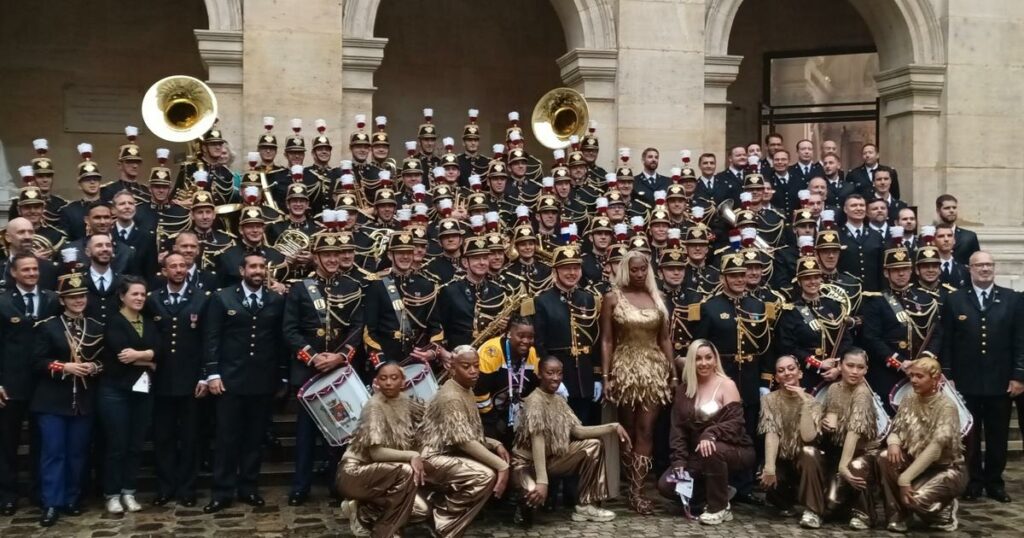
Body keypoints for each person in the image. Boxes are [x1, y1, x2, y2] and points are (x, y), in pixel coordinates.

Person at [283, 230, 364, 505]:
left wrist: (341, 357)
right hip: (309, 371)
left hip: (339, 370)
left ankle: (338, 484)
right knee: (305, 435)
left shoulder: (352, 287)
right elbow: (290, 330)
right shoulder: (299, 288)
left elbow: (357, 327)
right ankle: (300, 487)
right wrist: (313, 357)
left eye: (335, 254)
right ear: (315, 257)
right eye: (326, 255)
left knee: (341, 432)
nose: (331, 259)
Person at [203, 252, 287, 513]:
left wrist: (282, 375)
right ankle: (222, 491)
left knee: (254, 438)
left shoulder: (275, 300)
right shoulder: (222, 297)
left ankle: (248, 487)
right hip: (230, 380)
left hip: (262, 380)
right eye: (253, 266)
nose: (258, 271)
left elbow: (280, 341)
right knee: (227, 438)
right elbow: (211, 337)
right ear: (242, 270)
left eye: (262, 267)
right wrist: (212, 373)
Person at [940, 251, 1024, 502]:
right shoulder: (955, 300)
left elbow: (1020, 340)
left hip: (1001, 380)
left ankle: (995, 482)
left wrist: (1019, 375)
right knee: (970, 436)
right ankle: (973, 481)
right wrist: (948, 375)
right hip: (966, 381)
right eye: (980, 265)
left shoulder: (1012, 299)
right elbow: (947, 342)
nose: (985, 269)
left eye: (989, 265)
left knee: (998, 436)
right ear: (970, 269)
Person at [512, 356, 630, 527]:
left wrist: (613, 427)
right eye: (550, 373)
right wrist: (542, 482)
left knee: (593, 445)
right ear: (540, 374)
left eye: (559, 373)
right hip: (526, 464)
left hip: (550, 460)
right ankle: (522, 507)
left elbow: (578, 431)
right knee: (532, 496)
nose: (555, 378)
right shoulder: (534, 401)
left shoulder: (559, 400)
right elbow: (538, 442)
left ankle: (586, 506)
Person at [600, 249, 673, 515]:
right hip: (625, 368)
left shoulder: (658, 297)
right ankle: (629, 485)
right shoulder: (611, 298)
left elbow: (665, 339)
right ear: (624, 270)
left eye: (643, 269)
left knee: (646, 430)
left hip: (654, 369)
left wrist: (673, 375)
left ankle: (637, 491)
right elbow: (607, 340)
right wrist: (606, 377)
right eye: (634, 269)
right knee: (627, 430)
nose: (639, 273)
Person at [32, 271, 104, 526]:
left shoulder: (95, 326)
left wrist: (93, 368)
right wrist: (65, 367)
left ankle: (72, 498)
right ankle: (51, 502)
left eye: (82, 296)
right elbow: (37, 362)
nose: (78, 301)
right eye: (72, 297)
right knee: (53, 453)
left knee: (77, 454)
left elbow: (104, 360)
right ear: (62, 300)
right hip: (52, 401)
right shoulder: (47, 326)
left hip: (83, 401)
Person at [656, 339, 754, 525]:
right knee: (667, 485)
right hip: (697, 455)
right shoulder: (683, 391)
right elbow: (678, 432)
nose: (704, 363)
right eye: (698, 359)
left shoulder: (727, 385)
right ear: (691, 362)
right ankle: (717, 492)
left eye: (709, 358)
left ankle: (719, 507)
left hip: (734, 447)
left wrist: (711, 433)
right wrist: (679, 462)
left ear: (715, 360)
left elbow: (736, 423)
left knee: (712, 449)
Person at [420, 346, 509, 538]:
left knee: (489, 466)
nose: (473, 371)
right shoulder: (451, 396)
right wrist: (502, 466)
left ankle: (440, 513)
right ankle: (443, 523)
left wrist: (494, 444)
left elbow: (466, 434)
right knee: (484, 475)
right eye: (466, 366)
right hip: (433, 457)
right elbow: (463, 441)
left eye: (476, 366)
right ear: (452, 369)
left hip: (449, 453)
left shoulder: (466, 389)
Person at [145, 253, 210, 508]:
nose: (179, 269)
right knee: (163, 437)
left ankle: (187, 488)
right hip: (161, 379)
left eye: (183, 265)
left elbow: (208, 340)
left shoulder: (201, 298)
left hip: (191, 379)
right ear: (164, 271)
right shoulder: (153, 299)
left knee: (190, 437)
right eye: (173, 266)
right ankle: (165, 487)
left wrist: (205, 375)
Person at [0, 253, 60, 515]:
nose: (32, 274)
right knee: (7, 443)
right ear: (13, 273)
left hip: (45, 383)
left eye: (35, 269)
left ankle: (40, 492)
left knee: (42, 442)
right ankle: (7, 494)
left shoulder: (52, 300)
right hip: (11, 383)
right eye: (25, 270)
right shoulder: (2, 302)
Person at [877, 357, 966, 532]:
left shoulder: (947, 407)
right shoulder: (909, 399)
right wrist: (894, 442)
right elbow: (897, 428)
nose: (913, 380)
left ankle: (944, 512)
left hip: (944, 468)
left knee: (914, 499)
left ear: (936, 379)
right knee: (884, 457)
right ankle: (898, 516)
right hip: (915, 461)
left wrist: (905, 479)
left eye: (920, 376)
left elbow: (935, 449)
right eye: (912, 375)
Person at [337, 362, 425, 537]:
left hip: (384, 474)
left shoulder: (405, 401)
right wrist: (412, 455)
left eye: (394, 378)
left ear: (403, 381)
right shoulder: (374, 407)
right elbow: (376, 453)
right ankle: (386, 531)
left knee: (422, 511)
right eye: (383, 378)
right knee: (407, 471)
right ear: (376, 381)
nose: (389, 383)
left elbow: (427, 420)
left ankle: (364, 511)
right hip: (355, 472)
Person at [98, 275, 158, 514]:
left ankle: (129, 491)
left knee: (135, 444)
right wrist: (149, 359)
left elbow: (160, 349)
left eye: (143, 294)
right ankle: (111, 494)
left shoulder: (148, 321)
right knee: (117, 444)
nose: (140, 298)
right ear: (122, 296)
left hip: (142, 391)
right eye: (135, 294)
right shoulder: (113, 321)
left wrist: (142, 355)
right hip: (115, 391)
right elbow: (121, 354)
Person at [758, 355, 827, 529]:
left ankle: (813, 512)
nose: (787, 373)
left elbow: (808, 437)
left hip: (805, 461)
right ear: (776, 377)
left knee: (809, 453)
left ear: (800, 373)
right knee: (765, 472)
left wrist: (804, 402)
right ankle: (786, 504)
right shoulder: (769, 399)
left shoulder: (814, 401)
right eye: (781, 370)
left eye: (791, 368)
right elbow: (771, 432)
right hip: (783, 459)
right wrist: (769, 467)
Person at [819, 348, 880, 530]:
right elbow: (827, 415)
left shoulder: (863, 393)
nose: (855, 371)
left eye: (860, 367)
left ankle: (864, 513)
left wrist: (843, 467)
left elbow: (854, 431)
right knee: (829, 505)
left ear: (866, 370)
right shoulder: (833, 389)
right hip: (838, 450)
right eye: (850, 366)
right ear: (840, 366)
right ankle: (843, 505)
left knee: (857, 467)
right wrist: (822, 422)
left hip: (861, 453)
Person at [475, 316, 539, 444]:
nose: (526, 341)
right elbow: (479, 393)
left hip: (511, 411)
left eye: (530, 337)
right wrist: (493, 419)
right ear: (509, 333)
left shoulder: (531, 352)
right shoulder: (492, 352)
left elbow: (533, 388)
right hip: (483, 413)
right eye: (521, 336)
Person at [934, 194, 980, 265]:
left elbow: (977, 262)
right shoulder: (929, 235)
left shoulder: (969, 237)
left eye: (954, 207)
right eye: (947, 208)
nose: (952, 210)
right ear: (938, 211)